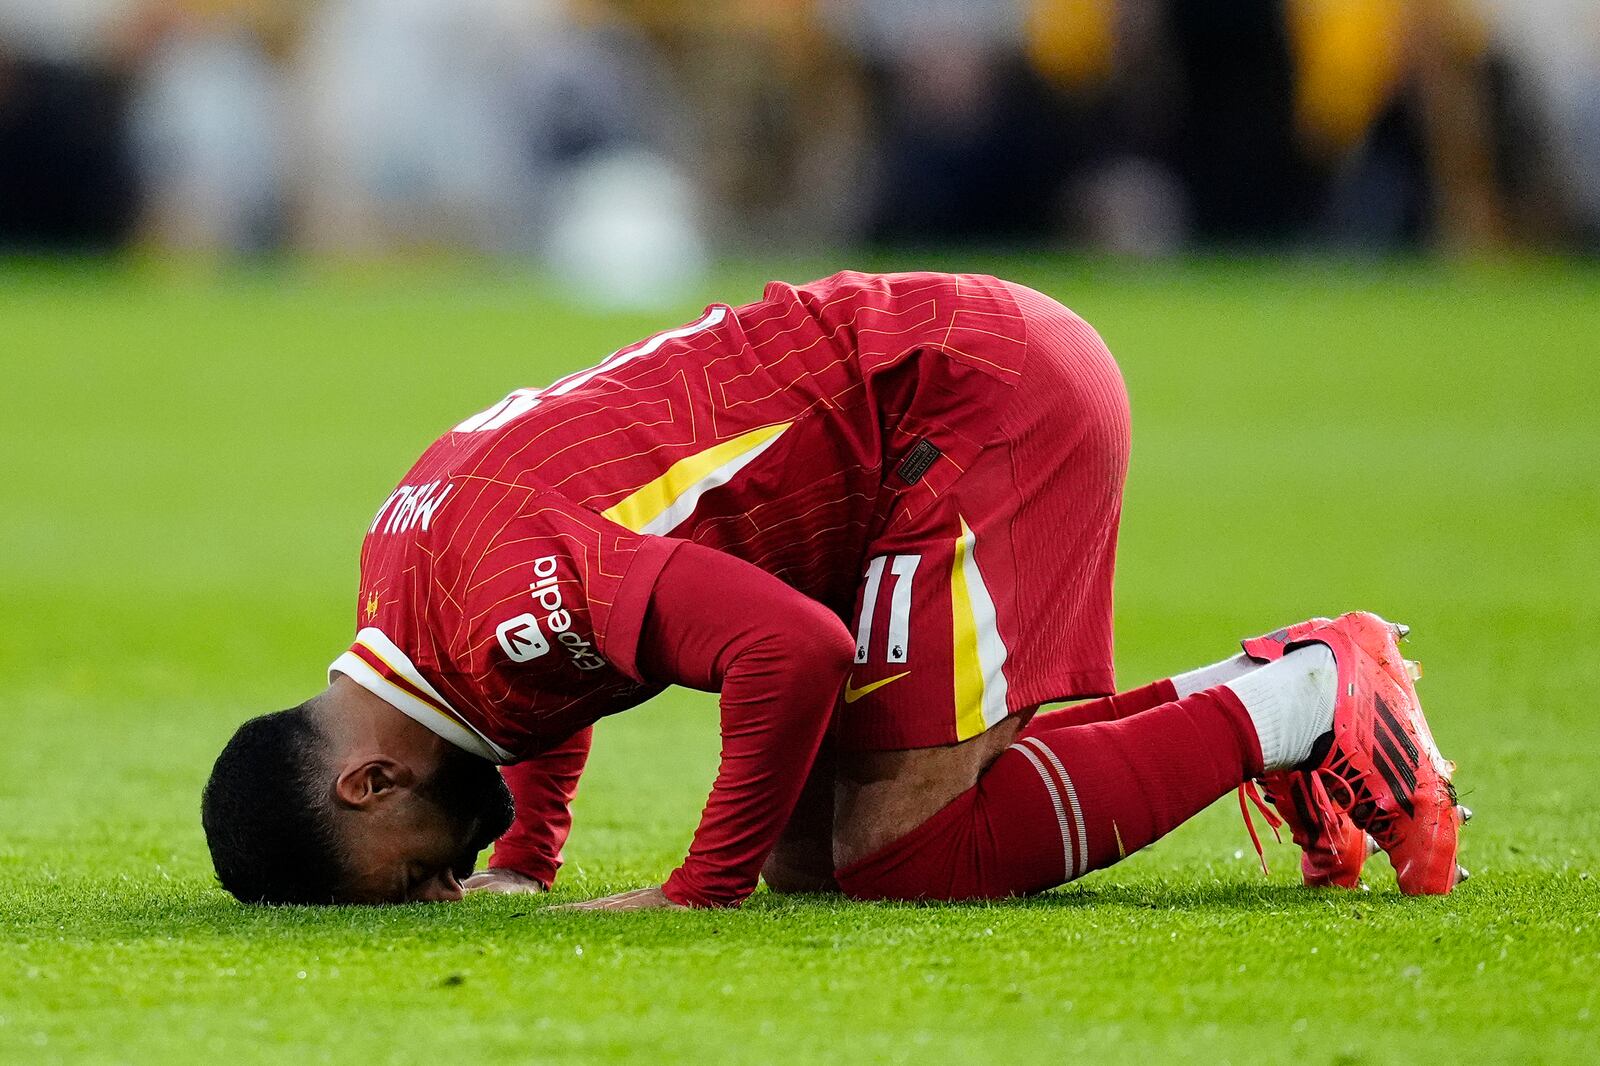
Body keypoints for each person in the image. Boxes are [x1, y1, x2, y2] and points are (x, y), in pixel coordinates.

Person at [200, 271, 1465, 908]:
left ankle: (1303, 702)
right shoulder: (408, 581)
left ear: (367, 780)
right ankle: (1264, 694)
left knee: (902, 850)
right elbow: (559, 647)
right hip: (908, 419)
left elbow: (787, 651)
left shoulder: (491, 607)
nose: (435, 889)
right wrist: (525, 855)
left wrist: (700, 887)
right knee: (823, 856)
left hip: (970, 402)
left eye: (404, 877)